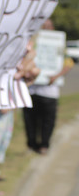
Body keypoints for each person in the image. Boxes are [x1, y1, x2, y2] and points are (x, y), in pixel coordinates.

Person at [23, 19, 74, 154]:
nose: (46, 28)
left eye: (49, 25)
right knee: (30, 120)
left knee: (48, 120)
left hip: (50, 92)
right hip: (32, 90)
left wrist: (56, 76)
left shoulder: (59, 45)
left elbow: (69, 63)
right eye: (43, 25)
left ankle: (44, 145)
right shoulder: (31, 43)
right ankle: (31, 144)